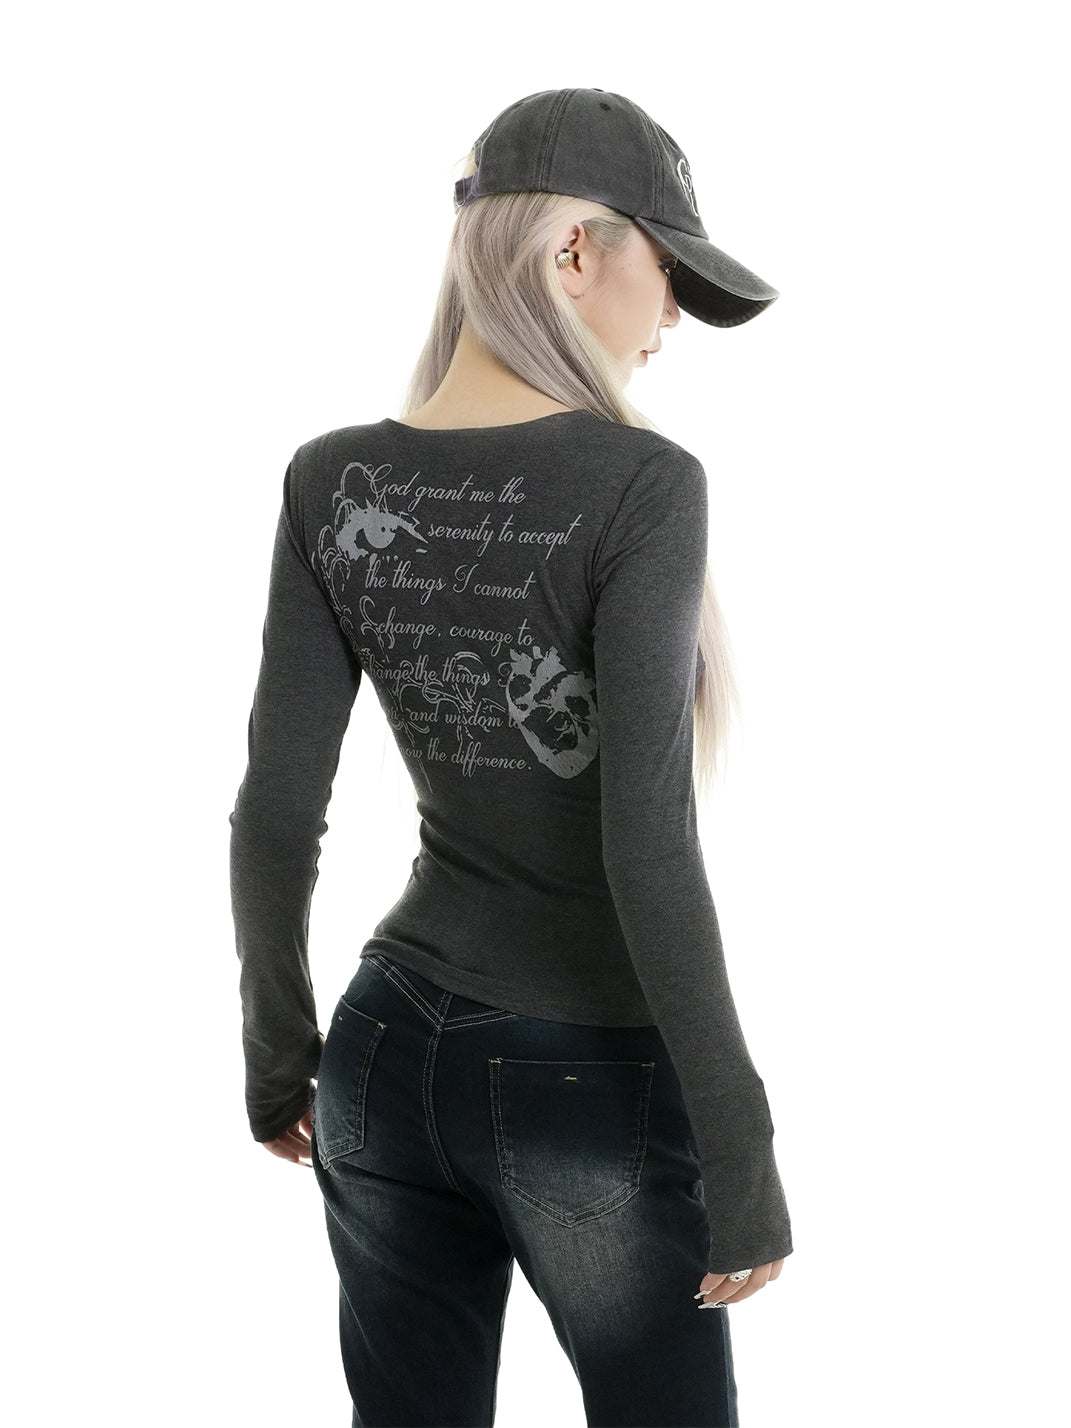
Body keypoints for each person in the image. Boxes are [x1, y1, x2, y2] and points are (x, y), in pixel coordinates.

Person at [229, 87, 793, 1428]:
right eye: (669, 274)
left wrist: (279, 1055)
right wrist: (742, 1142)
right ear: (576, 251)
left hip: (378, 1057)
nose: (670, 322)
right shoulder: (644, 486)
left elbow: (275, 813)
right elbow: (645, 839)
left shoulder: (331, 480)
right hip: (580, 1078)